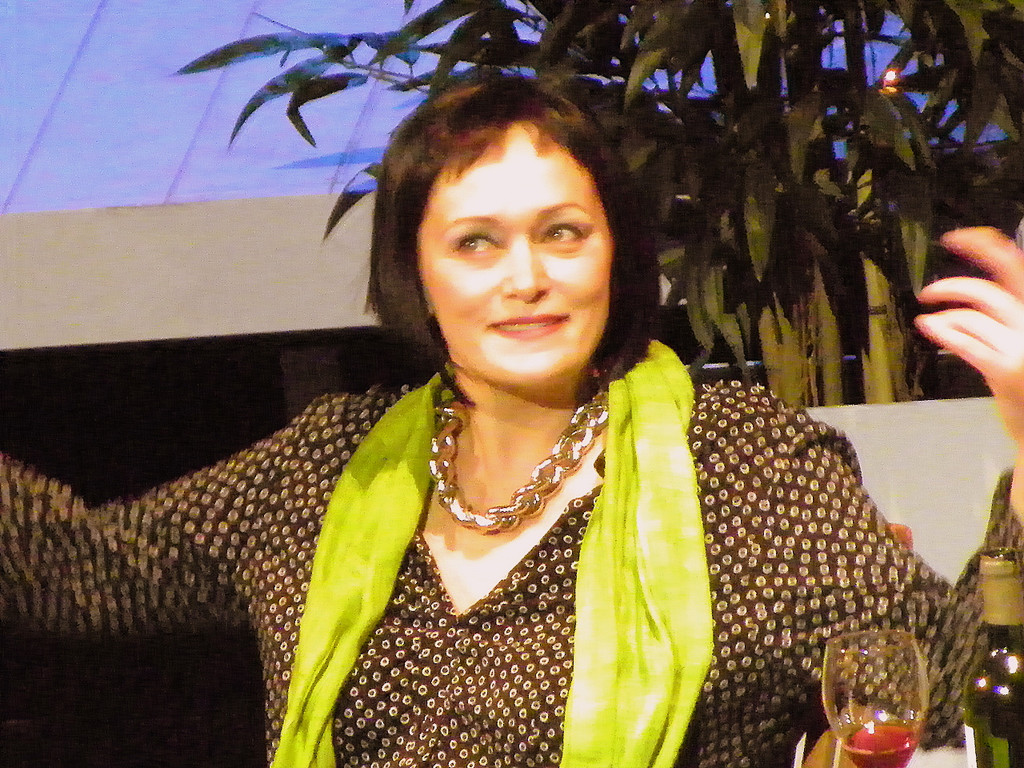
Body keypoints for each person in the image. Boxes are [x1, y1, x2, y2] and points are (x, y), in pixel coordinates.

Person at [2, 72, 1024, 768]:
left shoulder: (743, 469)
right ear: (415, 273)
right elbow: (69, 569)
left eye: (562, 234)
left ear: (616, 254)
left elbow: (953, 682)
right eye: (476, 244)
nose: (525, 278)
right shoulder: (328, 470)